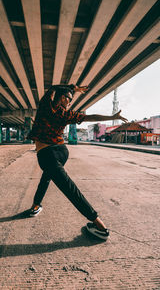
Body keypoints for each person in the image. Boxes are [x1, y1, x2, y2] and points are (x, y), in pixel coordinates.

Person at [27, 84, 127, 240]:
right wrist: (73, 87)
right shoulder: (51, 106)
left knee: (68, 188)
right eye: (69, 98)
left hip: (49, 154)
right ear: (62, 97)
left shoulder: (52, 109)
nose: (70, 102)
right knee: (47, 177)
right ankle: (36, 204)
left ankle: (100, 226)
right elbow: (54, 88)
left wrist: (112, 117)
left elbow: (90, 117)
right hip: (61, 151)